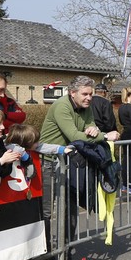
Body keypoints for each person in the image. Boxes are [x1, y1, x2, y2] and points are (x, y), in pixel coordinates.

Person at [39, 75, 117, 245]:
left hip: (69, 162)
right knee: (46, 210)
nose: (89, 98)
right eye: (85, 94)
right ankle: (45, 250)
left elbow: (90, 128)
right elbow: (74, 135)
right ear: (72, 93)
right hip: (49, 162)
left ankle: (65, 250)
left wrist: (94, 130)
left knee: (70, 208)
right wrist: (105, 136)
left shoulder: (86, 107)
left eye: (91, 94)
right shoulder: (61, 106)